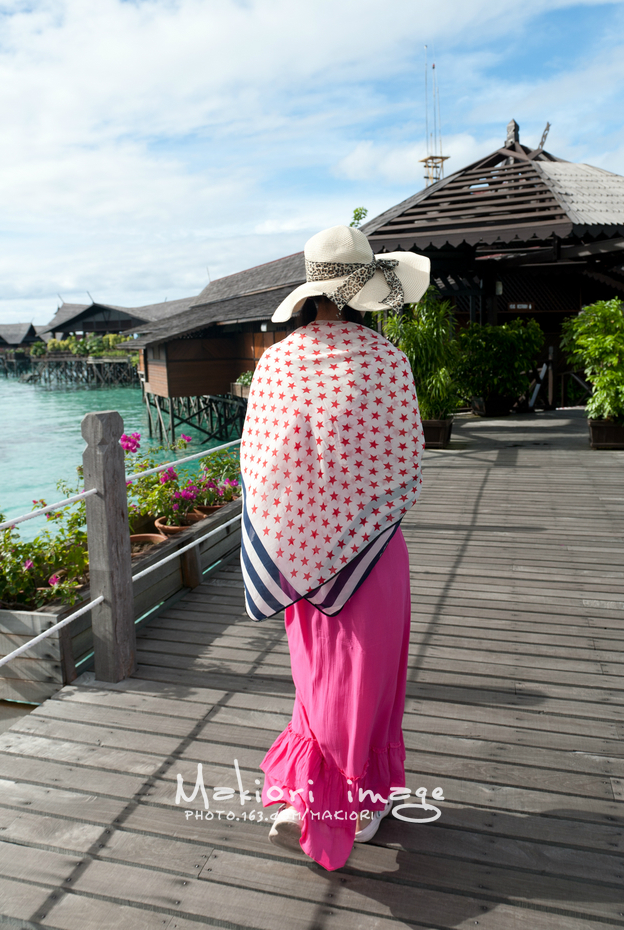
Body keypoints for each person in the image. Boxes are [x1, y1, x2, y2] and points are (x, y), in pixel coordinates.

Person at [239, 224, 430, 871]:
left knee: (318, 676)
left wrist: (299, 533)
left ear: (309, 292)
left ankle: (306, 794)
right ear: (364, 291)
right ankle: (353, 801)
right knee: (369, 682)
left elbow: (260, 465)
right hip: (372, 553)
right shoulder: (386, 361)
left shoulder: (276, 362)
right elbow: (406, 463)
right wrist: (357, 513)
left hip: (300, 555)